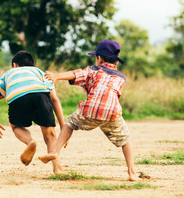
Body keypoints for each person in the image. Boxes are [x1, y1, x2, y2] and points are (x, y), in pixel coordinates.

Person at [38, 40, 138, 181]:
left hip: (90, 110)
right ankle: (132, 173)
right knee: (126, 139)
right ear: (116, 62)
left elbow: (76, 74)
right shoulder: (121, 78)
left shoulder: (93, 70)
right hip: (112, 112)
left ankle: (54, 151)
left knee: (70, 123)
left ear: (99, 58)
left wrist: (56, 76)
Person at [0, 51, 65, 174]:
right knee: (50, 135)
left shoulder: (9, 73)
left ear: (15, 65)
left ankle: (30, 142)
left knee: (16, 126)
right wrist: (63, 126)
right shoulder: (39, 72)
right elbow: (54, 99)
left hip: (18, 98)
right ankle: (57, 167)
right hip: (41, 96)